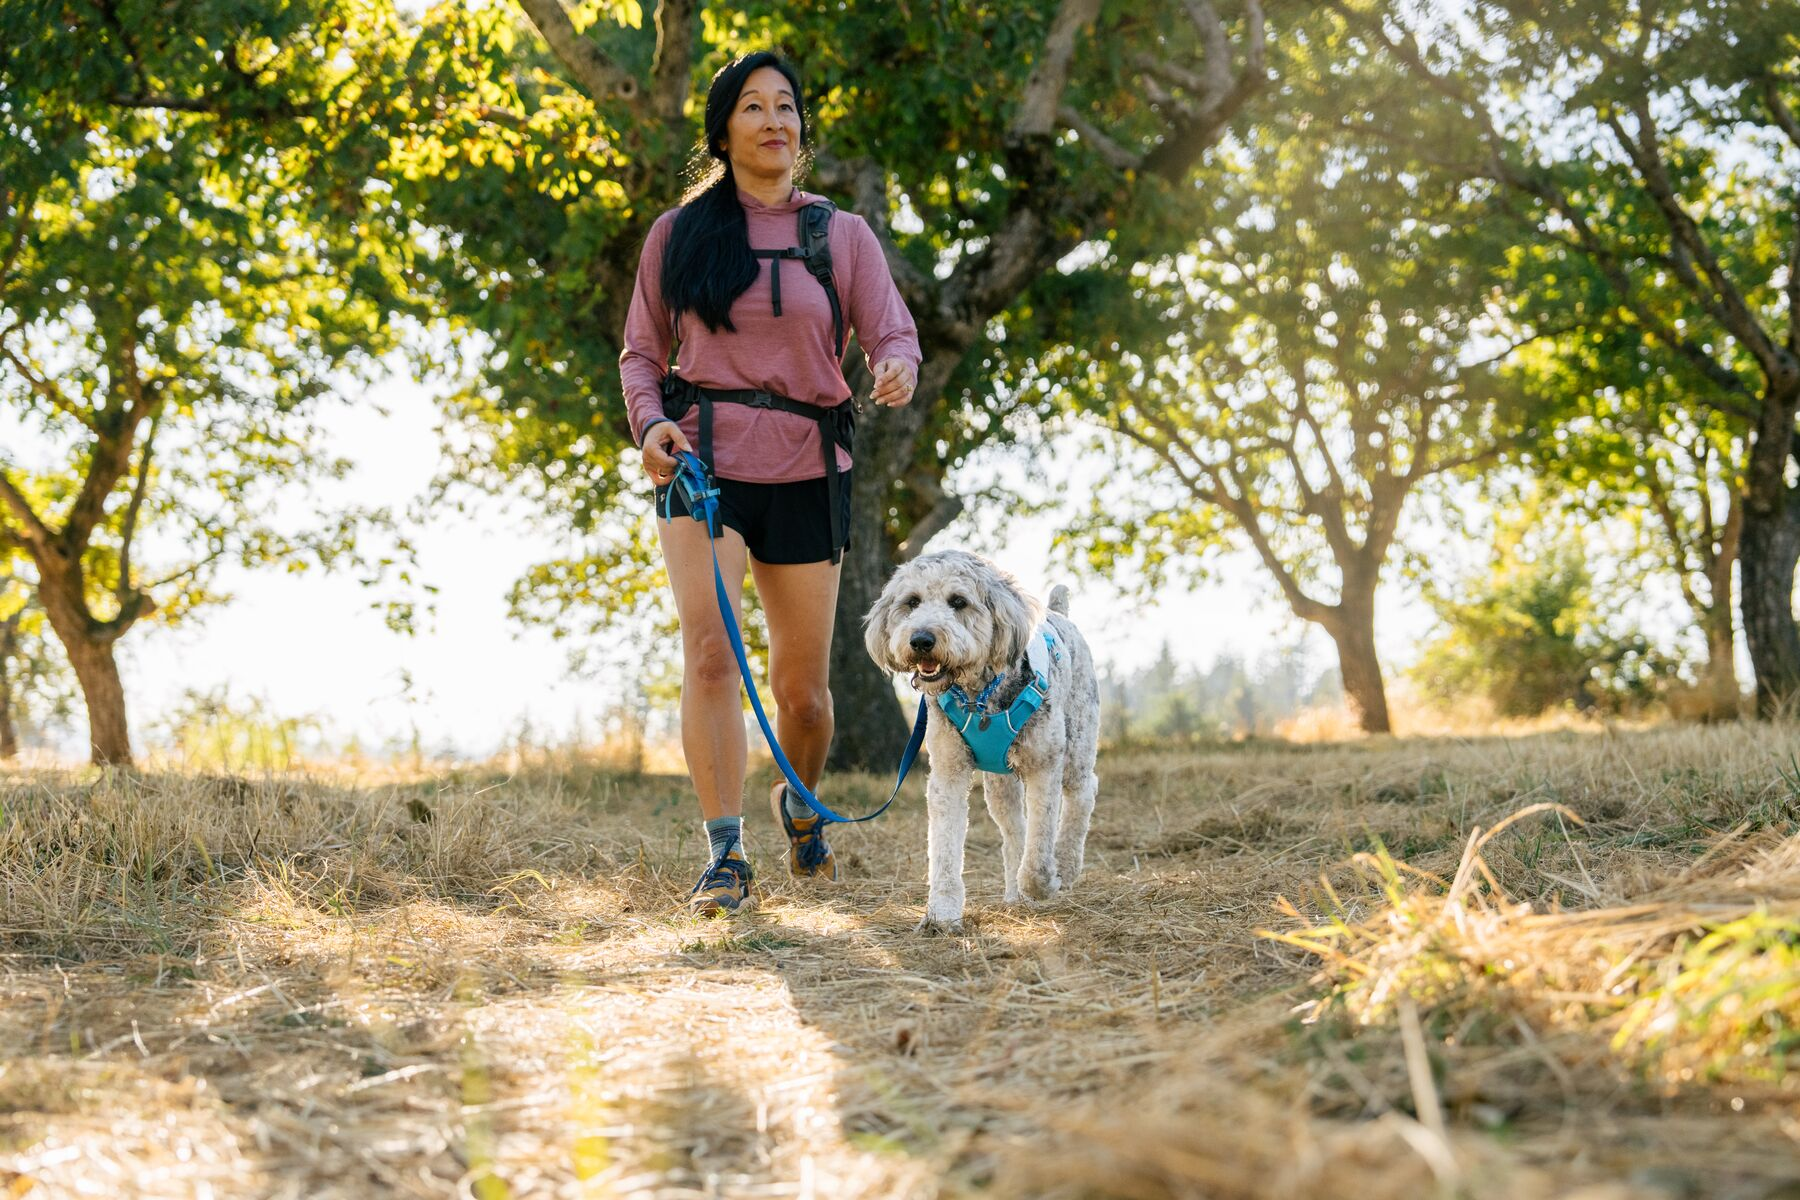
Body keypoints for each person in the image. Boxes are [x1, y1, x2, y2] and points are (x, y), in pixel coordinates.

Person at [619, 50, 922, 915]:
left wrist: (895, 366)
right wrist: (652, 427)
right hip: (701, 467)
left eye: (786, 107)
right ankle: (725, 854)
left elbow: (891, 333)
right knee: (710, 655)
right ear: (724, 132)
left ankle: (798, 805)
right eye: (753, 108)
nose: (774, 122)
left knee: (806, 697)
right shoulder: (678, 236)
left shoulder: (842, 235)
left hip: (808, 469)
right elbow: (643, 353)